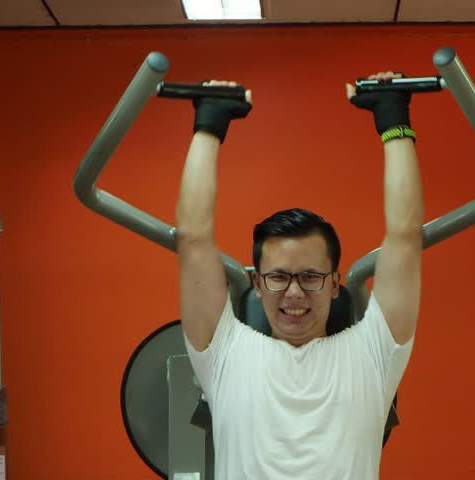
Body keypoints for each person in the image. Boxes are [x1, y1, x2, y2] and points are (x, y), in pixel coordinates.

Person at [175, 72, 424, 479]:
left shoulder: (375, 353)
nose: (294, 293)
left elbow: (406, 237)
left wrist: (394, 120)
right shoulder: (223, 355)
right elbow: (193, 238)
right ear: (256, 284)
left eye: (310, 276)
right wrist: (209, 124)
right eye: (278, 277)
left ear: (336, 281)